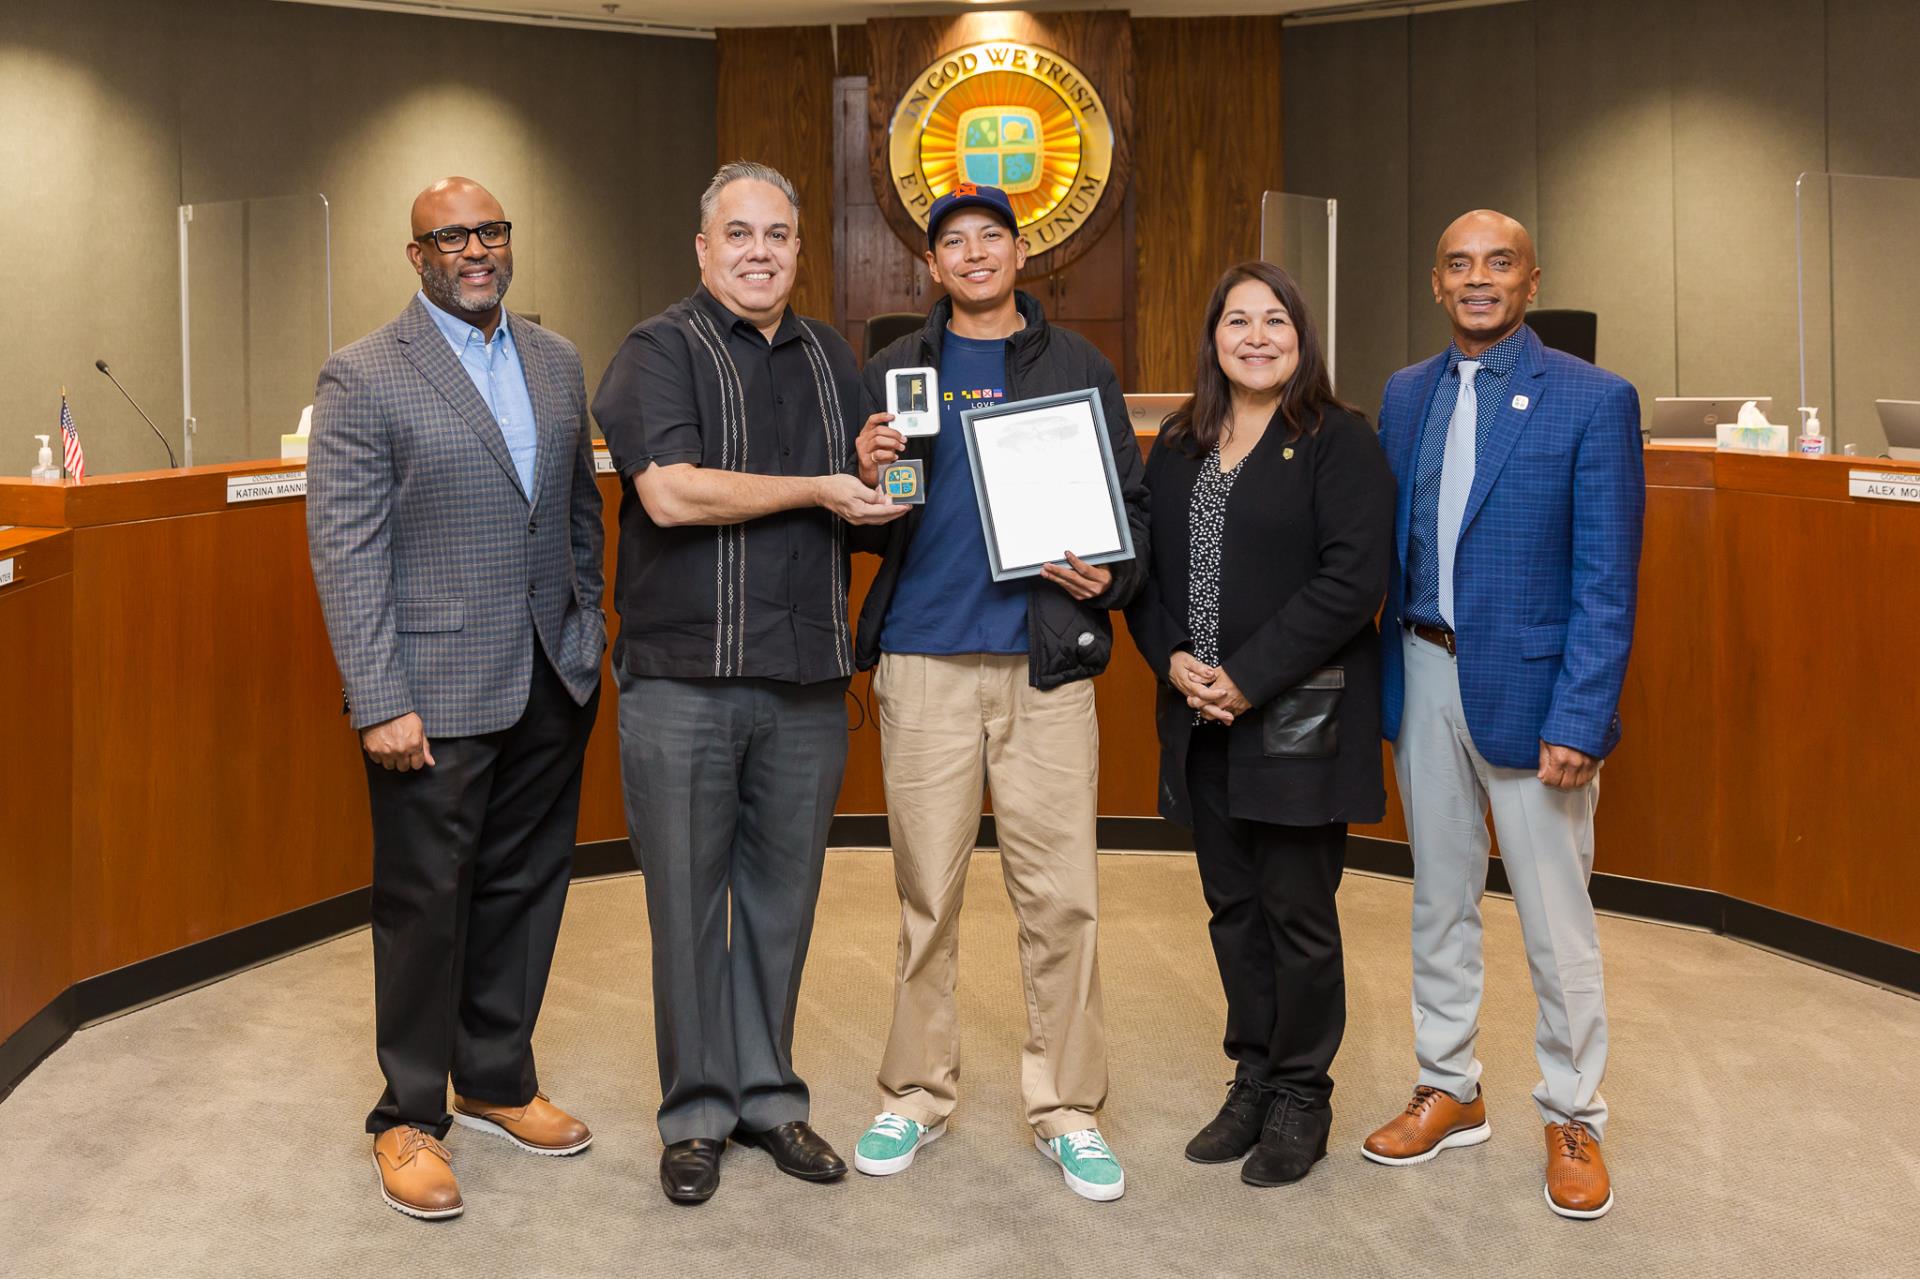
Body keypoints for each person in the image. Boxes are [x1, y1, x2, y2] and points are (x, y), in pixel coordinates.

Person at [591, 161, 905, 1206]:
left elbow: (874, 486)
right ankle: (694, 1115)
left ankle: (769, 1097)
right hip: (685, 679)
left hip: (809, 679)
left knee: (782, 903)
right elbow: (671, 495)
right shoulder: (655, 351)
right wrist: (821, 484)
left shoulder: (833, 358)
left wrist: (875, 466)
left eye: (778, 234)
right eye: (739, 234)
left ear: (799, 250)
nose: (760, 251)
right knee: (687, 905)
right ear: (703, 248)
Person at [307, 176, 606, 1221]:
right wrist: (379, 696)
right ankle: (408, 1115)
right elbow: (347, 551)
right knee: (424, 906)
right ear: (417, 254)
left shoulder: (558, 359)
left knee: (526, 887)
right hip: (428, 695)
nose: (475, 250)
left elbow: (577, 517)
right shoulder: (364, 376)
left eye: (490, 231)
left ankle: (495, 1078)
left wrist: (587, 629)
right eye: (452, 237)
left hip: (550, 674)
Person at [850, 183, 1149, 1203]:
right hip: (924, 659)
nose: (973, 254)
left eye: (991, 237)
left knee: (1061, 896)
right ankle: (914, 1092)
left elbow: (1131, 518)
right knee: (927, 894)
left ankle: (1067, 1106)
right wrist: (864, 469)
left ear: (1021, 255)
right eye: (953, 243)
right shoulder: (895, 369)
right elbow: (863, 523)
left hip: (1044, 664)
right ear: (932, 267)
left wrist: (1111, 574)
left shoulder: (1080, 369)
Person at [1362, 210, 1643, 1220]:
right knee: (1438, 901)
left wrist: (1582, 713)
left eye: (1500, 263)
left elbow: (1607, 580)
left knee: (1554, 923)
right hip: (1424, 672)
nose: (1478, 280)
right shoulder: (1404, 394)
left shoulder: (1592, 398)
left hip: (1535, 695)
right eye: (1458, 264)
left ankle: (1573, 1111)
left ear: (1532, 279)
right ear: (1437, 284)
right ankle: (1450, 1083)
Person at [1126, 261, 1393, 1188]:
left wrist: (1245, 677)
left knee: (1297, 914)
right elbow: (1146, 577)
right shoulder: (1178, 444)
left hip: (1296, 716)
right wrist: (1171, 658)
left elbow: (1352, 582)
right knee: (1233, 909)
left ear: (1300, 335)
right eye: (1236, 321)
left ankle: (1302, 1093)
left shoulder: (1337, 439)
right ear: (1212, 339)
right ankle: (1252, 1073)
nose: (1255, 336)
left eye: (1273, 320)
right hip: (1200, 720)